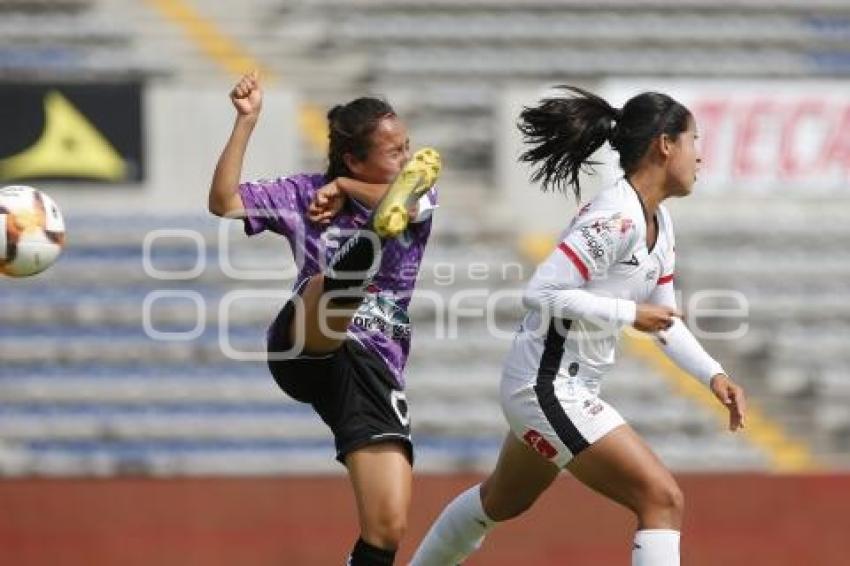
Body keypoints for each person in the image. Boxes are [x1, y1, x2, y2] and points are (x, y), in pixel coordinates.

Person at [409, 86, 747, 566]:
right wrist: (630, 314)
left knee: (501, 502)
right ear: (665, 145)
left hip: (560, 385)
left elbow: (665, 322)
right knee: (661, 498)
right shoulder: (615, 216)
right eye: (695, 140)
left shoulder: (660, 223)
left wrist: (714, 374)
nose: (701, 156)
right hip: (547, 387)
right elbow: (541, 293)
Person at [209, 71, 441, 566]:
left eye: (406, 145)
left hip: (371, 367)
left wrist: (344, 185)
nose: (406, 156)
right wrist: (246, 122)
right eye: (393, 150)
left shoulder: (419, 189)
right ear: (355, 156)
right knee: (328, 284)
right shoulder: (300, 194)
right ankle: (356, 261)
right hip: (305, 343)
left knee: (387, 529)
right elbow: (223, 202)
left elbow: (414, 192)